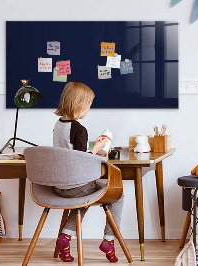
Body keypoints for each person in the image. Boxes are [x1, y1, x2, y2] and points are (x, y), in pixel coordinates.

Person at [53, 82, 123, 263]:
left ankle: (65, 238)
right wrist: (98, 148)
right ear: (79, 105)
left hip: (59, 186)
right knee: (118, 194)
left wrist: (92, 149)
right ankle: (109, 240)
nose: (88, 109)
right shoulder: (79, 129)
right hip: (76, 186)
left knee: (83, 197)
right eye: (89, 105)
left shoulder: (58, 125)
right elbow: (81, 161)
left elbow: (70, 154)